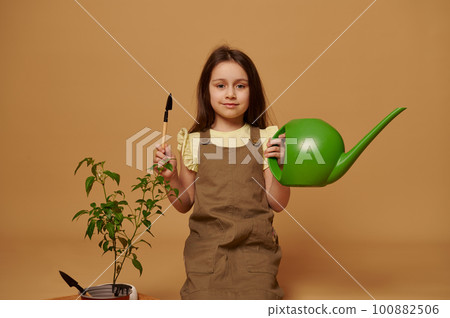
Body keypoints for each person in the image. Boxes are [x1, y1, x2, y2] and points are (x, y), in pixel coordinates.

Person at [154, 45, 290, 300]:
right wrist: (171, 178)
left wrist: (282, 167)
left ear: (253, 91)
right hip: (207, 252)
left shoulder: (266, 138)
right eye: (220, 86)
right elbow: (185, 203)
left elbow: (277, 203)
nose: (230, 94)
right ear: (206, 91)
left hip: (255, 250)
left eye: (240, 86)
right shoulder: (193, 141)